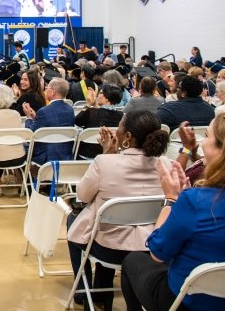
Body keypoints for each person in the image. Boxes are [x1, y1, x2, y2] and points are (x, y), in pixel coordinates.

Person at [121, 114, 225, 311]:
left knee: (133, 260)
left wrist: (171, 200)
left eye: (208, 137)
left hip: (188, 301)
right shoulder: (195, 198)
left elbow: (157, 253)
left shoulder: (195, 201)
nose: (202, 143)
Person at [67, 110, 170, 309]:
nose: (117, 129)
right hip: (151, 248)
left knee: (75, 220)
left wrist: (107, 154)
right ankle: (101, 294)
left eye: (120, 126)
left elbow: (82, 195)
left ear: (128, 136)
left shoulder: (104, 162)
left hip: (110, 250)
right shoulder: (166, 164)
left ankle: (83, 290)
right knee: (105, 223)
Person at [23, 78, 75, 165]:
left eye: (47, 88)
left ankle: (27, 178)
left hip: (46, 156)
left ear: (53, 91)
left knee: (19, 149)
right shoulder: (70, 109)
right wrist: (35, 117)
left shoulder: (44, 111)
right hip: (66, 154)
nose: (45, 90)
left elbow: (30, 135)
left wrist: (28, 118)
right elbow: (54, 121)